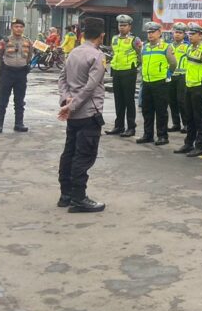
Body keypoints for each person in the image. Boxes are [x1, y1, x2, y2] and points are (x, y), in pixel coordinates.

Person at [57, 16, 108, 213]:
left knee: (69, 153)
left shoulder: (74, 52)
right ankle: (79, 198)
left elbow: (61, 79)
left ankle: (66, 194)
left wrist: (66, 99)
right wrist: (72, 105)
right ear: (101, 36)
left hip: (73, 114)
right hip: (88, 114)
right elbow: (89, 88)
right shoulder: (97, 56)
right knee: (83, 156)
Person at [177, 24, 202, 156]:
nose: (190, 36)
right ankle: (188, 143)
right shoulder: (189, 49)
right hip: (189, 85)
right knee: (189, 117)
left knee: (199, 117)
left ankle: (199, 146)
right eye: (190, 34)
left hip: (200, 87)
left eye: (193, 34)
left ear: (200, 36)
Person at [139, 22, 176, 145]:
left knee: (161, 111)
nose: (150, 34)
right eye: (148, 32)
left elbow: (173, 63)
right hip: (147, 82)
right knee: (147, 110)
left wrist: (168, 74)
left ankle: (162, 136)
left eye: (153, 32)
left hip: (160, 83)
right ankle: (148, 134)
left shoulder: (166, 47)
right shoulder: (145, 47)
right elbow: (142, 61)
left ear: (159, 33)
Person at [0, 19, 32, 133]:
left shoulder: (27, 41)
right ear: (12, 28)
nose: (19, 29)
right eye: (16, 26)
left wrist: (23, 65)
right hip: (7, 73)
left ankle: (19, 124)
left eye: (21, 26)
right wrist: (5, 67)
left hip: (21, 73)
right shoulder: (5, 41)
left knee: (20, 100)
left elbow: (29, 56)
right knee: (2, 100)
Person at [107, 15, 142, 138]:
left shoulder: (134, 39)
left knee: (129, 100)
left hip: (129, 72)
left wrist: (135, 66)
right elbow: (113, 53)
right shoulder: (115, 39)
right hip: (116, 71)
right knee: (118, 100)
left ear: (129, 26)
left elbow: (140, 54)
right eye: (120, 25)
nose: (121, 28)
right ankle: (119, 126)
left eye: (124, 25)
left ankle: (131, 127)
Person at [167, 23, 190, 135]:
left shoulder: (187, 46)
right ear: (172, 33)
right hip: (171, 75)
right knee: (172, 100)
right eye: (176, 32)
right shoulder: (169, 46)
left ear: (184, 34)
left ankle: (186, 124)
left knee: (181, 100)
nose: (177, 35)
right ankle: (176, 123)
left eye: (180, 33)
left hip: (182, 76)